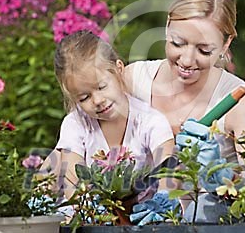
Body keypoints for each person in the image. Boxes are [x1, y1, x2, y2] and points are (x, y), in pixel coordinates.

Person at [124, 0, 245, 222]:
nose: (188, 60)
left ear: (225, 44)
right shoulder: (133, 81)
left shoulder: (240, 100)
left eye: (204, 50)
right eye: (178, 43)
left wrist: (220, 177)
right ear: (168, 26)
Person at [40, 30, 178, 224]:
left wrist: (164, 199)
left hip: (141, 220)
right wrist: (89, 210)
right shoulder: (76, 124)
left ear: (119, 70)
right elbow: (72, 179)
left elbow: (168, 168)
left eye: (102, 87)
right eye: (84, 97)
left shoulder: (149, 121)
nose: (97, 100)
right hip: (89, 221)